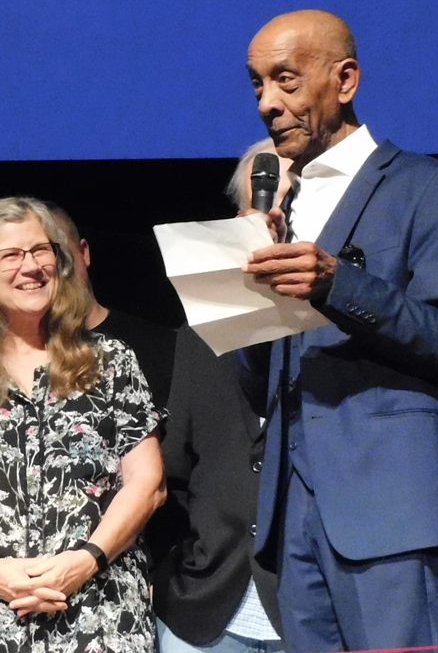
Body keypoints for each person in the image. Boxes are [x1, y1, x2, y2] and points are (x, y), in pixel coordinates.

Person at [240, 9, 438, 651]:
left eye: (286, 80)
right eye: (257, 84)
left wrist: (335, 283)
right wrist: (242, 300)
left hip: (392, 508)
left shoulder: (427, 186)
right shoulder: (281, 206)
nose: (267, 103)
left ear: (344, 81)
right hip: (296, 514)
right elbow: (258, 384)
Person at [0, 196, 166, 652]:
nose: (32, 266)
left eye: (41, 250)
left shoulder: (110, 363)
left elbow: (148, 483)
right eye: (10, 255)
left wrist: (84, 562)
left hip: (99, 617)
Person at [147, 141, 289, 653]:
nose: (275, 222)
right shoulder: (198, 335)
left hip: (311, 612)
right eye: (260, 209)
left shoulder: (347, 335)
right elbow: (174, 469)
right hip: (206, 612)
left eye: (292, 205)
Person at [47, 203, 176, 411]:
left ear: (84, 252)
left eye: (57, 252)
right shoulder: (17, 360)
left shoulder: (164, 348)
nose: (47, 268)